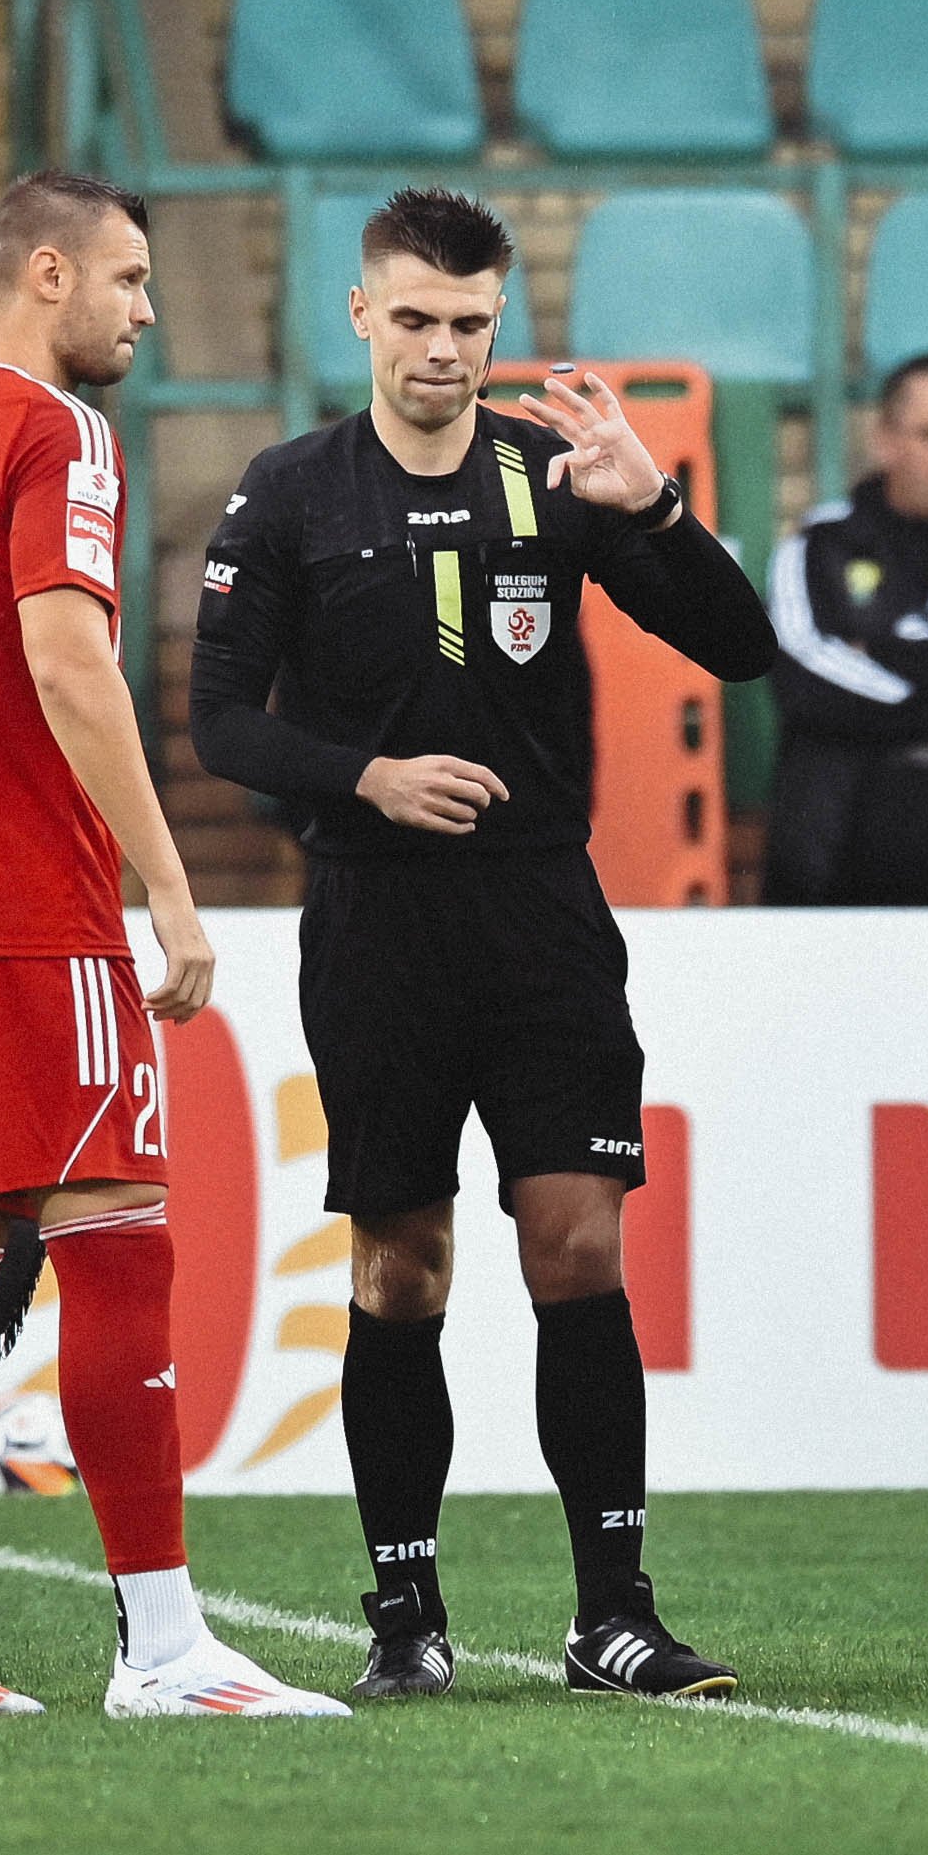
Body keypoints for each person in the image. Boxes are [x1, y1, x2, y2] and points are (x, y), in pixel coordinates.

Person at [187, 187, 776, 1702]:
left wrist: (652, 507)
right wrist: (365, 776)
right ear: (360, 317)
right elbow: (219, 719)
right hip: (376, 915)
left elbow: (743, 648)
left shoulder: (554, 474)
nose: (442, 349)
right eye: (415, 319)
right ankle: (407, 1617)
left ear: (497, 323)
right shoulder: (291, 492)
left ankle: (615, 1614)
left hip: (540, 910)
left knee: (578, 1241)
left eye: (470, 322)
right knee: (404, 1265)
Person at [0, 170, 345, 1722]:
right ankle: (163, 1647)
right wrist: (167, 888)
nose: (147, 308)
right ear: (45, 273)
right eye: (128, 279)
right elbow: (69, 662)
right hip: (21, 904)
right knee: (119, 1240)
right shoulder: (54, 432)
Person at [762, 352, 928, 905]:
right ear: (885, 440)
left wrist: (890, 648)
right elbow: (804, 682)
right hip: (829, 866)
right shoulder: (819, 545)